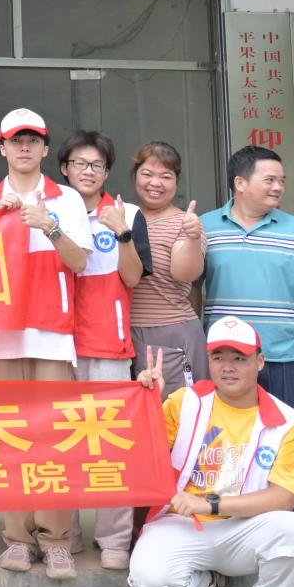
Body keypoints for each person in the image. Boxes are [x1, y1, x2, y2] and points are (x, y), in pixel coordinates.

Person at [0, 108, 90, 580]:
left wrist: (48, 226)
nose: (25, 147)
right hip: (1, 338)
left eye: (33, 140)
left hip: (51, 334)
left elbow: (79, 263)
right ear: (2, 148)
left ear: (46, 148)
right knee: (9, 437)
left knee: (52, 438)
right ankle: (16, 538)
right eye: (16, 140)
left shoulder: (66, 199)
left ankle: (56, 541)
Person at [126, 319, 294, 587]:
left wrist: (211, 504)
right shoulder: (184, 401)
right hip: (183, 523)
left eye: (239, 358)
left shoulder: (289, 423)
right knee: (148, 579)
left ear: (260, 362)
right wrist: (149, 403)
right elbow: (140, 457)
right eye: (218, 357)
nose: (228, 367)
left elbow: (283, 497)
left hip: (242, 529)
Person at [199, 145, 294, 418]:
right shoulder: (206, 226)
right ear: (240, 183)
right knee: (227, 436)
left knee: (285, 435)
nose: (278, 187)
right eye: (269, 180)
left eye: (281, 180)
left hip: (285, 356)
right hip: (227, 356)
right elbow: (190, 284)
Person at [57, 129, 145, 570]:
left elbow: (133, 278)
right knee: (61, 443)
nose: (87, 172)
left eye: (97, 165)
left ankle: (113, 538)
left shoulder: (127, 212)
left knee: (110, 445)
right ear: (64, 169)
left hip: (109, 344)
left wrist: (123, 233)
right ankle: (65, 532)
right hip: (57, 343)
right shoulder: (51, 211)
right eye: (79, 164)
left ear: (107, 172)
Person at [128, 141, 209, 397]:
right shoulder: (123, 217)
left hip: (169, 334)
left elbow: (185, 274)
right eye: (147, 174)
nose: (155, 183)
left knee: (172, 412)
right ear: (135, 176)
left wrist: (193, 237)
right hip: (123, 336)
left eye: (166, 176)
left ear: (177, 182)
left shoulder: (185, 222)